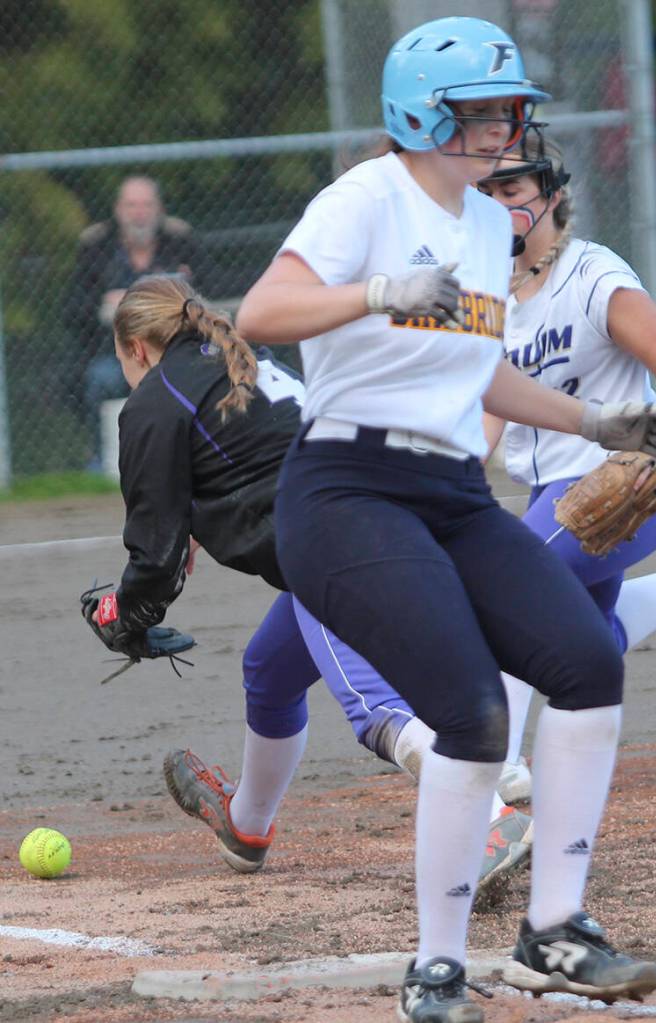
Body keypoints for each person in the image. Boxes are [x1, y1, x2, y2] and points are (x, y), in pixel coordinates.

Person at [234, 15, 656, 1020]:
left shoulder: (487, 224)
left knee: (583, 658)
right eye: (476, 112)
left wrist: (597, 418)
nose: (499, 128)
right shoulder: (367, 199)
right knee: (472, 710)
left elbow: (482, 368)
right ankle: (435, 969)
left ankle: (552, 932)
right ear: (416, 114)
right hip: (345, 488)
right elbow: (260, 315)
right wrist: (376, 291)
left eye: (505, 110)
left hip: (449, 490)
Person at [101, 273, 530, 909]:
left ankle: (492, 815)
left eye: (122, 359)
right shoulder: (236, 352)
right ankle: (246, 825)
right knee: (270, 670)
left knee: (373, 706)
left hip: (333, 539)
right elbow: (236, 465)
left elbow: (155, 553)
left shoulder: (154, 399)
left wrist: (122, 615)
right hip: (379, 498)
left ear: (137, 347)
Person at [463, 135, 656, 798]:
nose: (497, 203)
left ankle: (499, 769)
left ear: (552, 195)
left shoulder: (593, 276)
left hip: (636, 482)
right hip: (549, 493)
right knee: (588, 642)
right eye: (485, 192)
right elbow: (491, 407)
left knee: (506, 585)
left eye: (512, 189)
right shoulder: (486, 296)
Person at [66, 175, 198, 471]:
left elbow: (214, 288)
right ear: (118, 209)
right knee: (101, 379)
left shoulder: (180, 242)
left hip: (176, 351)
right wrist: (106, 302)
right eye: (131, 205)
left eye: (146, 205)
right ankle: (102, 460)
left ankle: (188, 454)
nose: (139, 213)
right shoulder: (96, 246)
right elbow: (72, 308)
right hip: (114, 352)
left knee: (195, 378)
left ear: (159, 209)